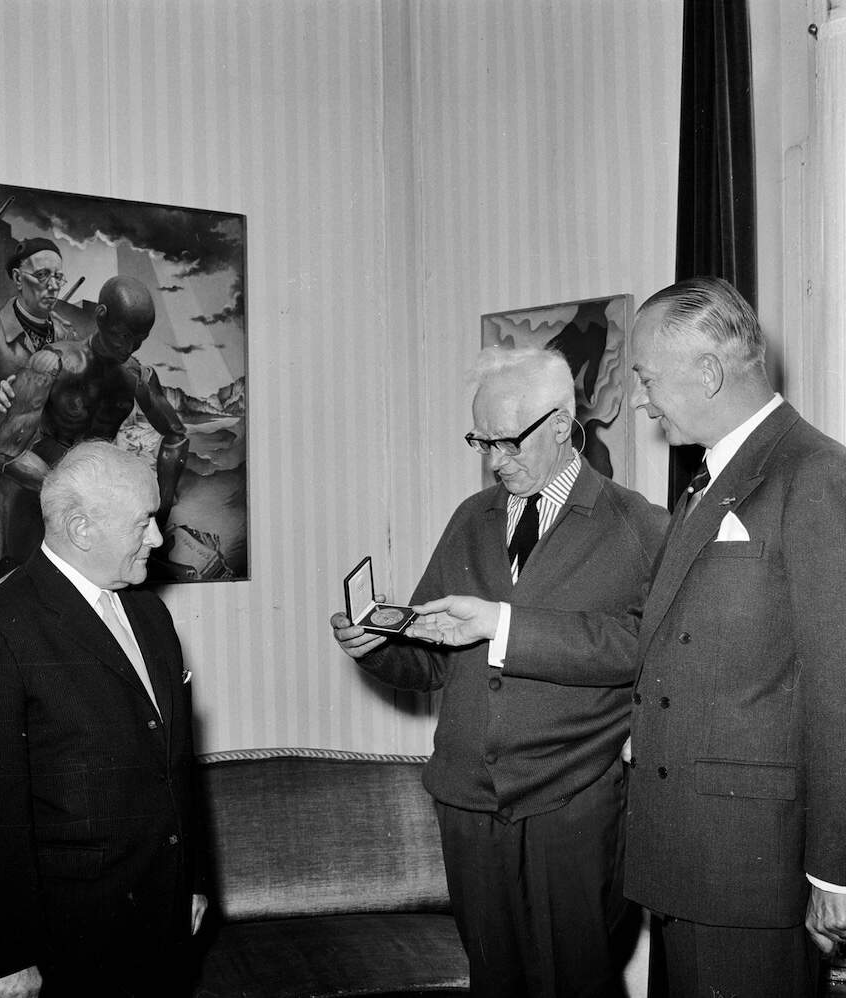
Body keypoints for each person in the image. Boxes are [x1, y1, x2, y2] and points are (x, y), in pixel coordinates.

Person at [331, 346, 668, 997]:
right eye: (480, 441)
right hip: (466, 803)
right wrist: (373, 642)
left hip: (572, 802)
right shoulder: (470, 519)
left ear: (563, 424)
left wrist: (504, 627)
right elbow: (432, 662)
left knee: (579, 981)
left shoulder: (640, 527)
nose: (493, 460)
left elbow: (653, 653)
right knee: (494, 981)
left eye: (508, 441)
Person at [625, 276, 846, 997]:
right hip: (687, 856)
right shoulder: (709, 481)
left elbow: (837, 686)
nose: (640, 398)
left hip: (755, 869)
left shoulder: (813, 474)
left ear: (710, 372)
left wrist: (834, 870)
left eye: (647, 377)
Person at [0, 440, 207, 998]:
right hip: (61, 950)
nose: (157, 537)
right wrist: (6, 956)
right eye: (144, 522)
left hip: (162, 927)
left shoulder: (148, 612)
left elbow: (171, 764)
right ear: (80, 528)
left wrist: (191, 883)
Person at [0, 275, 189, 531]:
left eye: (139, 339)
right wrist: (67, 489)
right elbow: (6, 454)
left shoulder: (137, 377)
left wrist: (162, 509)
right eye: (123, 335)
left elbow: (177, 437)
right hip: (45, 504)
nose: (130, 348)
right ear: (102, 316)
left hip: (99, 497)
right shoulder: (53, 362)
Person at [0, 238, 81, 583]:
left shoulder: (69, 333)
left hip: (56, 497)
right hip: (10, 500)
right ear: (17, 277)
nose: (53, 285)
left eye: (59, 277)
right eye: (42, 275)